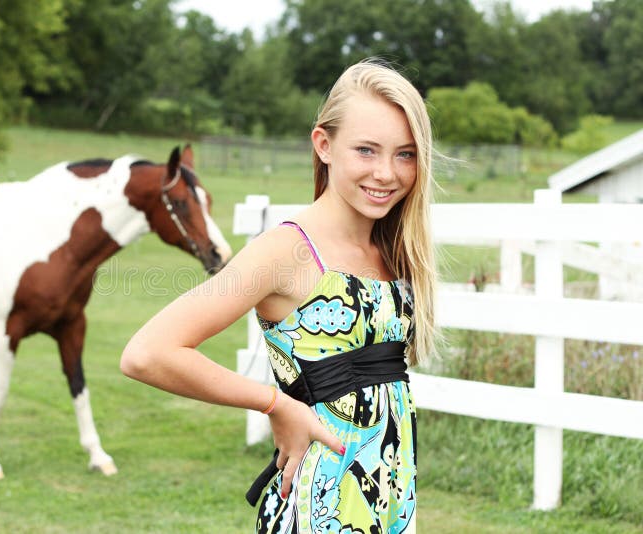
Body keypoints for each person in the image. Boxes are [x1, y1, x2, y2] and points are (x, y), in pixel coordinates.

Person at [121, 58, 436, 533]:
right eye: (366, 151)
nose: (387, 173)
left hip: (391, 498)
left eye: (405, 154)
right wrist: (276, 404)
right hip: (322, 504)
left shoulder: (389, 249)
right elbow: (147, 353)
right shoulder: (285, 251)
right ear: (324, 145)